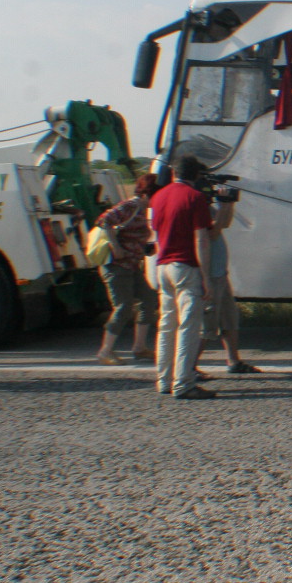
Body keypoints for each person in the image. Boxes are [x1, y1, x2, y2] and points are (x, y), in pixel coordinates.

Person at [149, 156, 218, 400]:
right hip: (186, 266)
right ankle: (184, 382)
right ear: (196, 176)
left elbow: (155, 232)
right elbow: (201, 239)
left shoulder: (158, 197)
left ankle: (163, 379)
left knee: (166, 325)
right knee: (188, 326)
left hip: (163, 265)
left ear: (173, 172)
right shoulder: (195, 198)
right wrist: (206, 277)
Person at [94, 173, 160, 365]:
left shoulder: (144, 210)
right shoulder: (130, 206)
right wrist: (116, 247)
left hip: (131, 265)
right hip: (116, 266)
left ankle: (139, 348)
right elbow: (104, 221)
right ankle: (105, 351)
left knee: (148, 300)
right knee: (123, 307)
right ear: (148, 194)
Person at [198, 196, 262, 374]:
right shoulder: (196, 207)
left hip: (219, 272)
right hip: (210, 273)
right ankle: (189, 366)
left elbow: (224, 223)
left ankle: (233, 360)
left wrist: (228, 204)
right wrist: (224, 207)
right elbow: (212, 233)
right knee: (207, 323)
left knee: (229, 318)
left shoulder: (206, 206)